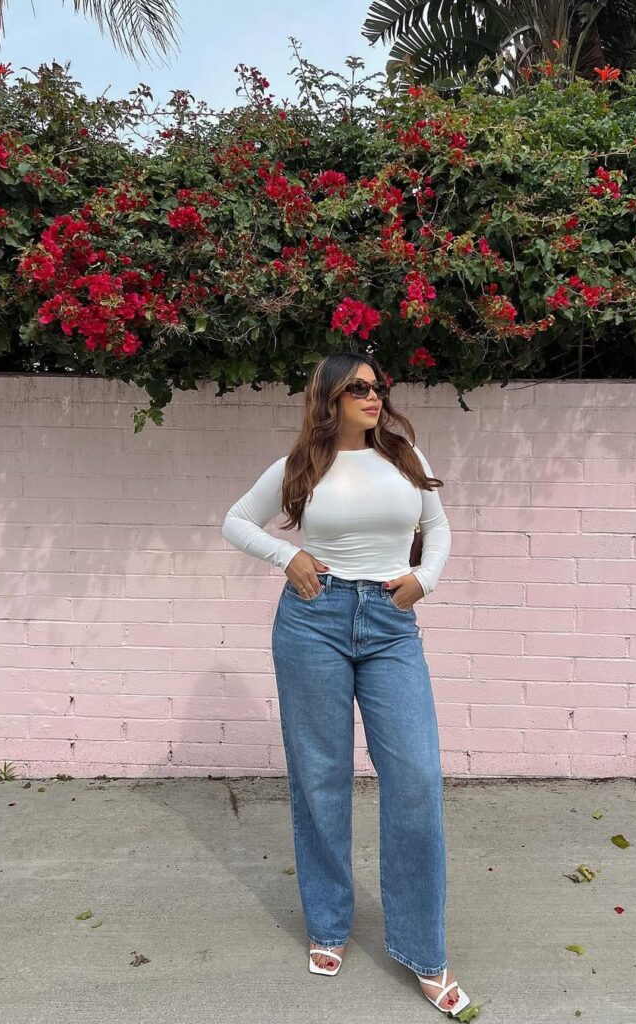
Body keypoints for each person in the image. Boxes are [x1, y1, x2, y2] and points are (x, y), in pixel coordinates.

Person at [220, 352, 470, 1016]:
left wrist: (424, 580)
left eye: (377, 385)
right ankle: (328, 922)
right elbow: (235, 520)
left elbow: (438, 529)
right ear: (328, 398)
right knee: (321, 776)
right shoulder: (302, 465)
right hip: (314, 621)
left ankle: (424, 951)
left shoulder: (404, 458)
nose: (373, 394)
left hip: (390, 624)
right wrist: (288, 554)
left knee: (416, 776)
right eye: (357, 387)